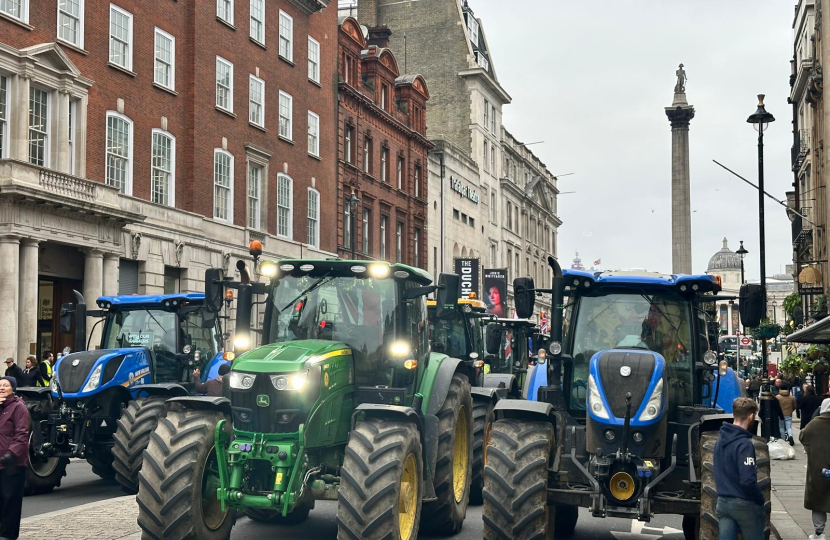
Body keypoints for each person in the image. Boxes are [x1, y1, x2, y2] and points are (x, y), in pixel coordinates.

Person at [714, 397, 766, 540]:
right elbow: (747, 480)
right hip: (743, 504)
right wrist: (759, 499)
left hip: (723, 503)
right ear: (751, 416)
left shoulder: (720, 440)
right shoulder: (744, 445)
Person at [0, 376, 30, 540]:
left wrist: (11, 454)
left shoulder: (19, 407)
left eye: (6, 385)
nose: (2, 387)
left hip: (13, 463)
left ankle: (8, 535)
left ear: (13, 389)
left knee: (10, 500)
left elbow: (22, 434)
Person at [800, 399, 830, 540]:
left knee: (818, 501)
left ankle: (819, 533)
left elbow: (802, 436)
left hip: (819, 470)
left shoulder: (814, 424)